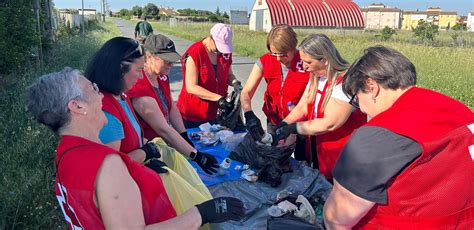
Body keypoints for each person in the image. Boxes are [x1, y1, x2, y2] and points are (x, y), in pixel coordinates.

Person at [26, 68, 245, 229]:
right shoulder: (105, 163)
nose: (101, 94)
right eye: (92, 89)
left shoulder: (66, 152)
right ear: (77, 106)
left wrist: (140, 167)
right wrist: (202, 213)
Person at [323, 46, 474, 229]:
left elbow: (337, 219)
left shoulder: (378, 135)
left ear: (371, 86)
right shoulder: (460, 111)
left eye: (356, 98)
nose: (361, 109)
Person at [85, 37, 219, 176]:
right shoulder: (112, 108)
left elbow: (169, 107)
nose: (140, 76)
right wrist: (145, 153)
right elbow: (110, 169)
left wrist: (182, 136)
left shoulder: (121, 95)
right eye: (138, 70)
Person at [271, 34, 367, 180]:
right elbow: (303, 106)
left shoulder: (346, 83)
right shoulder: (316, 77)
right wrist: (283, 124)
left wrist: (293, 129)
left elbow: (329, 123)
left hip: (342, 156)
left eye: (308, 62)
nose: (303, 67)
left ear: (325, 60)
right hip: (319, 149)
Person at [127, 34, 217, 174]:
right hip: (147, 149)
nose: (171, 64)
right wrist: (196, 156)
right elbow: (164, 129)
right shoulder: (139, 85)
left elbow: (172, 107)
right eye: (167, 60)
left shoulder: (161, 76)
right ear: (149, 56)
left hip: (161, 143)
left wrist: (183, 134)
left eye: (173, 60)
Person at [240, 24, 309, 159]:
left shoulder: (306, 62)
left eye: (283, 54)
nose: (278, 59)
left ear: (294, 47)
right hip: (274, 120)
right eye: (274, 53)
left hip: (299, 122)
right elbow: (246, 92)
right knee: (274, 157)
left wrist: (293, 131)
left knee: (302, 161)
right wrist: (249, 114)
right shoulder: (265, 61)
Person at [176, 23, 241, 128]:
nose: (220, 51)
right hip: (192, 114)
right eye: (219, 47)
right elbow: (191, 87)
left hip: (214, 114)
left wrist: (235, 83)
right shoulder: (195, 53)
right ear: (211, 38)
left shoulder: (224, 53)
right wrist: (219, 98)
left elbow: (229, 74)